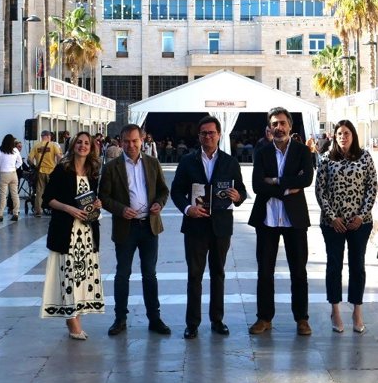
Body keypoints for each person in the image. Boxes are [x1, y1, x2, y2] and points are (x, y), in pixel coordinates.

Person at [170, 115, 248, 339]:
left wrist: (238, 196)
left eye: (211, 133)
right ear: (199, 136)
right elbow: (176, 191)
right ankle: (192, 323)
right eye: (204, 133)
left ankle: (217, 320)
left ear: (219, 135)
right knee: (194, 275)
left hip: (221, 226)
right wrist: (188, 208)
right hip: (195, 225)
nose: (208, 136)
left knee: (218, 273)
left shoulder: (230, 162)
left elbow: (242, 190)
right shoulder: (188, 161)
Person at [248, 107, 317, 336]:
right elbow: (257, 185)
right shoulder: (262, 151)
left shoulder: (302, 151)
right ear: (270, 128)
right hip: (267, 219)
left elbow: (306, 180)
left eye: (282, 123)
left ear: (290, 126)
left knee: (299, 272)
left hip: (294, 219)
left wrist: (275, 181)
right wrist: (287, 187)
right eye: (274, 124)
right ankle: (264, 318)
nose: (279, 127)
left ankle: (302, 319)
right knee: (264, 272)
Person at [99, 123, 171, 336]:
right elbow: (104, 197)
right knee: (122, 274)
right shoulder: (111, 167)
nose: (131, 145)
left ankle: (154, 318)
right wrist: (121, 209)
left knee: (150, 274)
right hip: (125, 228)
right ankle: (120, 319)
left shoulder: (152, 163)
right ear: (120, 142)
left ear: (142, 140)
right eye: (127, 141)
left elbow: (163, 190)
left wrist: (159, 203)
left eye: (134, 141)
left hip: (149, 227)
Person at [314, 119, 376, 334]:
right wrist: (332, 217)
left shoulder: (365, 157)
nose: (343, 137)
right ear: (335, 136)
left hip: (360, 223)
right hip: (333, 224)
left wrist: (361, 215)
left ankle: (357, 311)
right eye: (339, 133)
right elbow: (320, 190)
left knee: (357, 266)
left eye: (347, 133)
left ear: (353, 136)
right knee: (334, 266)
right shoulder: (326, 158)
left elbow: (371, 188)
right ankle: (335, 310)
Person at [41, 131, 104, 339]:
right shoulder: (63, 169)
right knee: (68, 275)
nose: (82, 146)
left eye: (86, 143)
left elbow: (92, 198)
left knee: (81, 276)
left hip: (86, 233)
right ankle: (72, 321)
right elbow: (47, 199)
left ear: (91, 148)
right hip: (66, 232)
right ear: (73, 145)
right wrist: (69, 209)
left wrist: (97, 203)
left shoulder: (92, 171)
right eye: (79, 142)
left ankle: (76, 316)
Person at [29, 130, 64, 217]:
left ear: (42, 137)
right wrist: (59, 167)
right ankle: (54, 209)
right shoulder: (53, 145)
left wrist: (34, 166)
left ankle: (38, 211)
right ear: (48, 137)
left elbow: (29, 159)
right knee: (53, 190)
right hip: (51, 171)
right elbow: (59, 157)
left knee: (39, 191)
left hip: (40, 171)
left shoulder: (36, 146)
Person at [0, 133, 21, 223]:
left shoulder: (0, 150)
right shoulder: (15, 150)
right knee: (15, 195)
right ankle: (15, 214)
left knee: (3, 196)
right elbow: (20, 162)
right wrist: (15, 168)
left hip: (4, 174)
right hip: (13, 174)